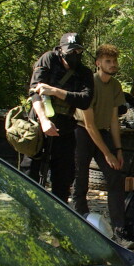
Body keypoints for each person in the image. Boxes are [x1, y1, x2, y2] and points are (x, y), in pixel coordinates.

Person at [20, 32, 94, 202]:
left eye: (78, 51)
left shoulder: (84, 73)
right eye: (70, 51)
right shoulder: (48, 59)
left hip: (65, 129)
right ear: (61, 50)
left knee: (63, 180)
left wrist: (54, 91)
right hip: (39, 126)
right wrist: (44, 121)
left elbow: (85, 100)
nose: (74, 55)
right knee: (29, 175)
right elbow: (35, 92)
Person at [73, 44, 129, 239]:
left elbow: (114, 120)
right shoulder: (88, 83)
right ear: (98, 63)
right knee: (80, 178)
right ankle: (80, 222)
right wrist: (107, 154)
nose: (113, 65)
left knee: (115, 176)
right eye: (108, 61)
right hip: (82, 132)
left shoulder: (115, 86)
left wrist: (118, 149)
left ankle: (119, 230)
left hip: (103, 132)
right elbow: (89, 124)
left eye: (114, 61)